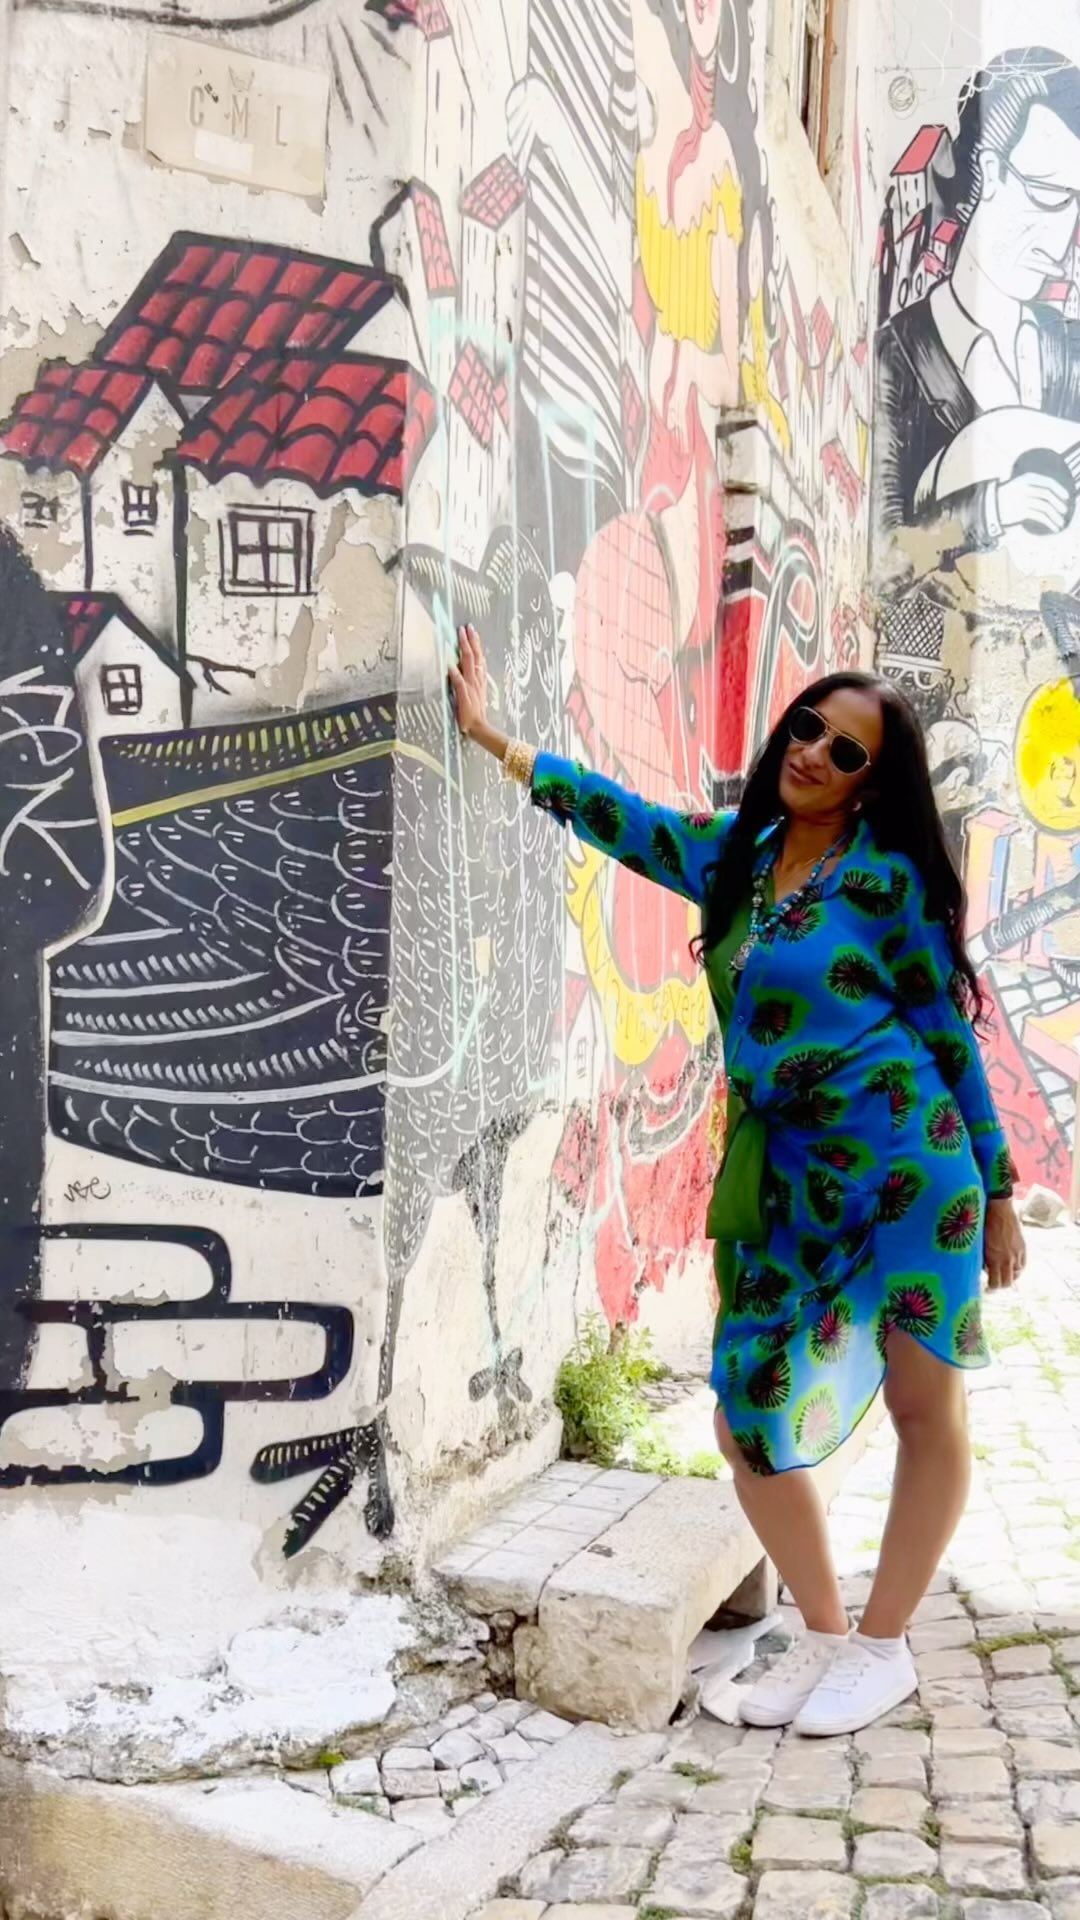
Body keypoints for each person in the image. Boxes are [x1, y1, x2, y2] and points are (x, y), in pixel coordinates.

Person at [450, 623, 1026, 1738]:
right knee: (745, 1414)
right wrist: (494, 741)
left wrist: (998, 1190)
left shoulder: (889, 884)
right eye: (808, 727)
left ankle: (882, 1647)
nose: (813, 752)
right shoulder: (738, 858)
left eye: (845, 750)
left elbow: (947, 1038)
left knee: (925, 1405)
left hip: (912, 1173)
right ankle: (825, 1635)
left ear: (870, 785)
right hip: (790, 1182)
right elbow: (627, 822)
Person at [876, 47, 1080, 545]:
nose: (1063, 240)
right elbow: (884, 550)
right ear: (990, 171)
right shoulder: (895, 359)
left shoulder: (1070, 352)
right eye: (1050, 196)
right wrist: (993, 508)